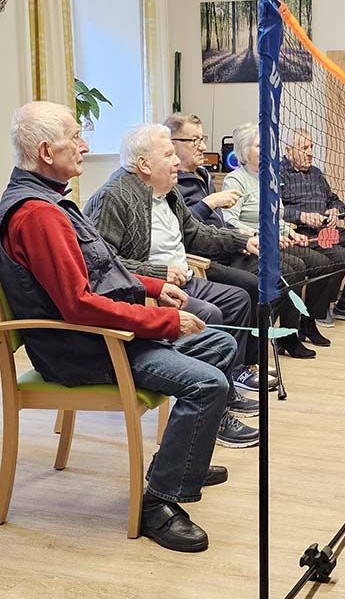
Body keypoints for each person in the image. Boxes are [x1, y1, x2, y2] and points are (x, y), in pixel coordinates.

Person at [3, 101, 242, 551]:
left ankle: (181, 461)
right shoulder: (39, 215)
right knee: (208, 383)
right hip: (87, 350)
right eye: (75, 138)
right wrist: (164, 322)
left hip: (108, 336)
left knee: (221, 346)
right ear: (45, 152)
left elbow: (98, 270)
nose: (84, 145)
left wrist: (153, 286)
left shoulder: (51, 201)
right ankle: (157, 503)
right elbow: (79, 306)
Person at [84, 125, 262, 448]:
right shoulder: (114, 196)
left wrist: (242, 239)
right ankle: (213, 411)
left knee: (239, 299)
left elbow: (196, 234)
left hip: (185, 278)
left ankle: (227, 391)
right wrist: (157, 274)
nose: (176, 161)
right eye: (168, 155)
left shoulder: (169, 192)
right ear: (144, 165)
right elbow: (104, 265)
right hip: (150, 290)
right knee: (211, 312)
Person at [167, 114, 318, 358]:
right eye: (195, 140)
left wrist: (249, 239)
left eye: (202, 139)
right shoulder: (173, 183)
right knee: (263, 282)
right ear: (173, 143)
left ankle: (276, 337)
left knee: (293, 269)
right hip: (205, 257)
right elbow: (183, 230)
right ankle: (251, 354)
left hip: (229, 245)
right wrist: (211, 206)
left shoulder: (203, 175)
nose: (203, 146)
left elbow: (220, 225)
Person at [224, 122, 343, 355]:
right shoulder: (235, 180)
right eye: (260, 146)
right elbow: (229, 222)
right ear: (245, 151)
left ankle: (306, 323)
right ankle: (285, 335)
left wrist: (290, 231)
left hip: (277, 239)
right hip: (253, 245)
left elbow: (276, 217)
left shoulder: (268, 178)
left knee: (323, 263)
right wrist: (262, 236)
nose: (267, 150)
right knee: (294, 269)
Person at [281, 128, 345, 324]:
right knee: (340, 256)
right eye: (304, 148)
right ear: (288, 151)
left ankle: (344, 304)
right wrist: (302, 216)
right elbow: (273, 209)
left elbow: (335, 200)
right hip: (301, 233)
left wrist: (336, 210)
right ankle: (319, 308)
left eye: (311, 147)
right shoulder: (277, 174)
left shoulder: (316, 174)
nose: (310, 152)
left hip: (327, 230)